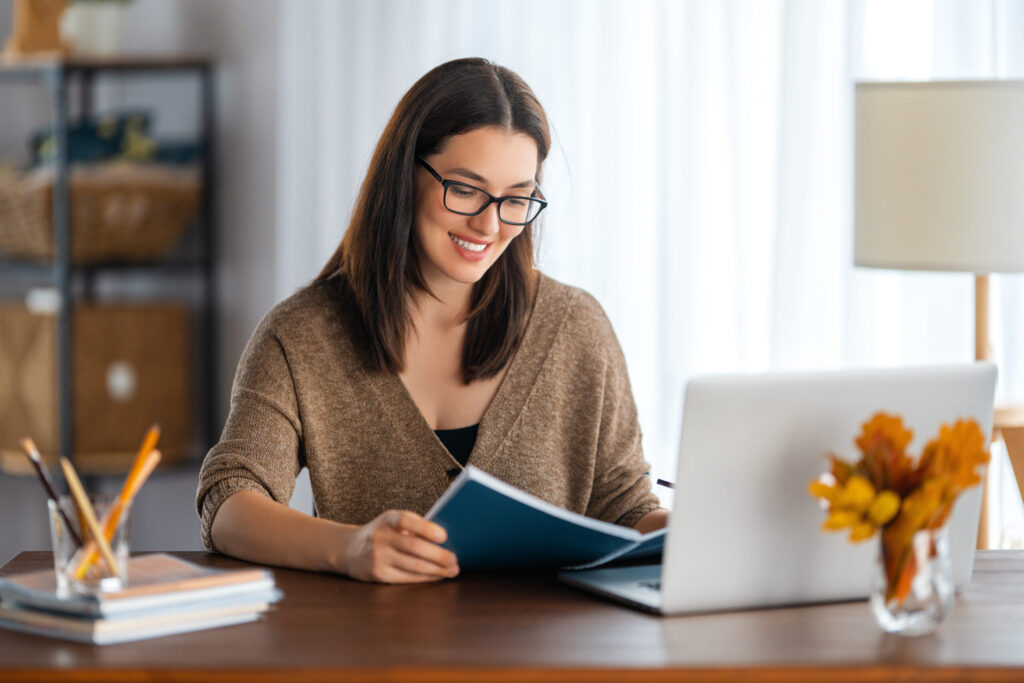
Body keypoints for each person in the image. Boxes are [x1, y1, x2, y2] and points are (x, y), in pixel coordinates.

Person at [196, 57, 668, 584]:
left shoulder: (576, 326)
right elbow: (229, 500)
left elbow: (625, 508)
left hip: (541, 663)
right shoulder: (302, 336)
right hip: (376, 659)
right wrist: (348, 547)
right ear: (405, 175)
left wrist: (709, 535)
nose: (489, 224)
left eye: (516, 198)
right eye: (465, 189)